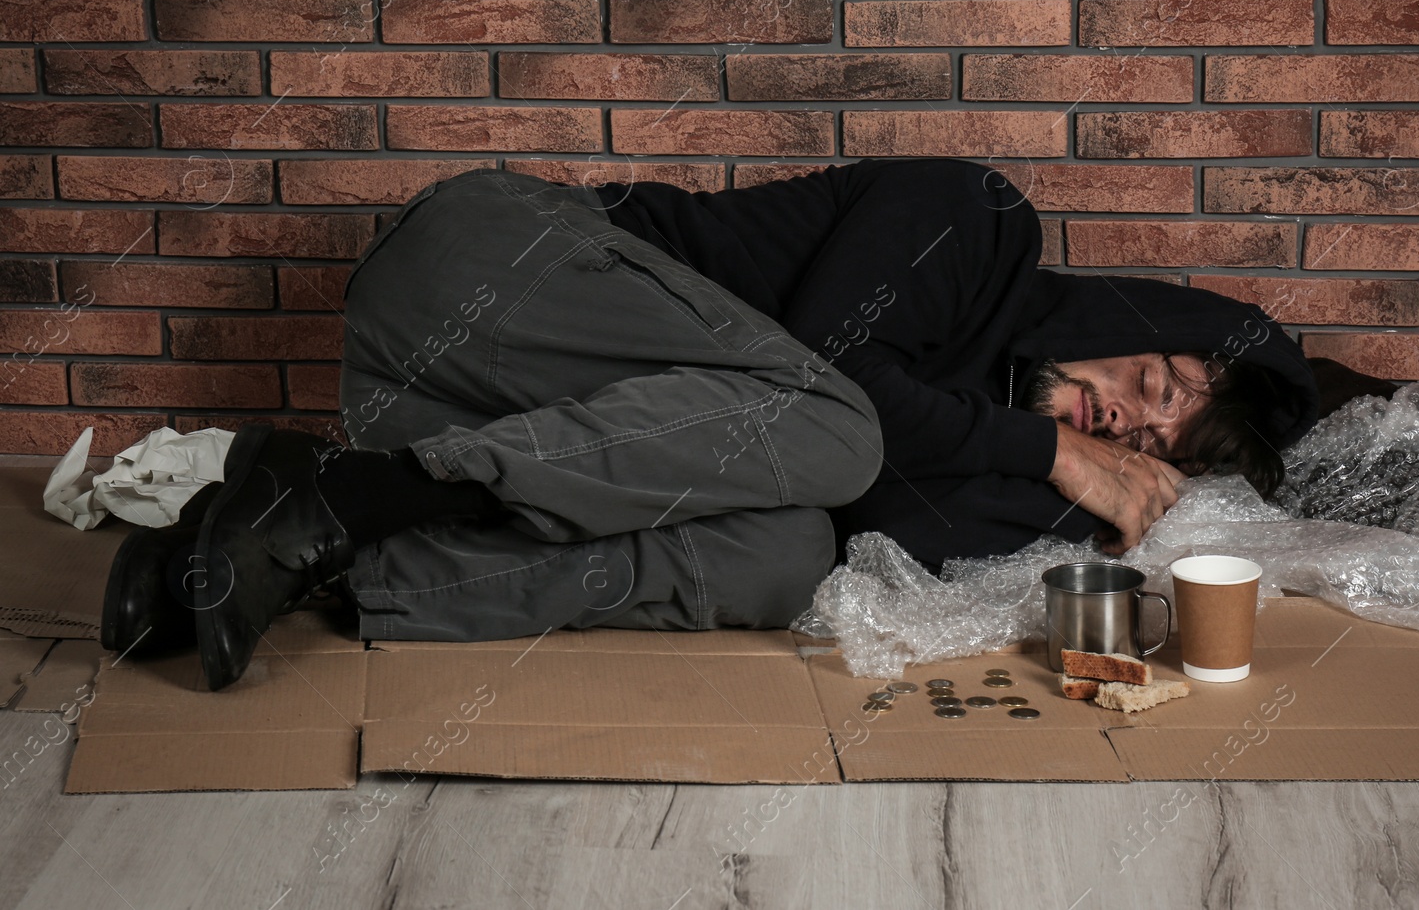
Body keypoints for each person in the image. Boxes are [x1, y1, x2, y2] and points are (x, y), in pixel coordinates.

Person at [100, 158, 1323, 691]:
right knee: (836, 425)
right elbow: (845, 380)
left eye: (1150, 439)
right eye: (1153, 380)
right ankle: (339, 497)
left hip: (462, 417)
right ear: (1139, 312)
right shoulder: (975, 220)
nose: (1127, 419)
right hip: (490, 273)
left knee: (790, 553)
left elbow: (870, 522)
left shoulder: (984, 440)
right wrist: (1055, 451)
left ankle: (314, 556)